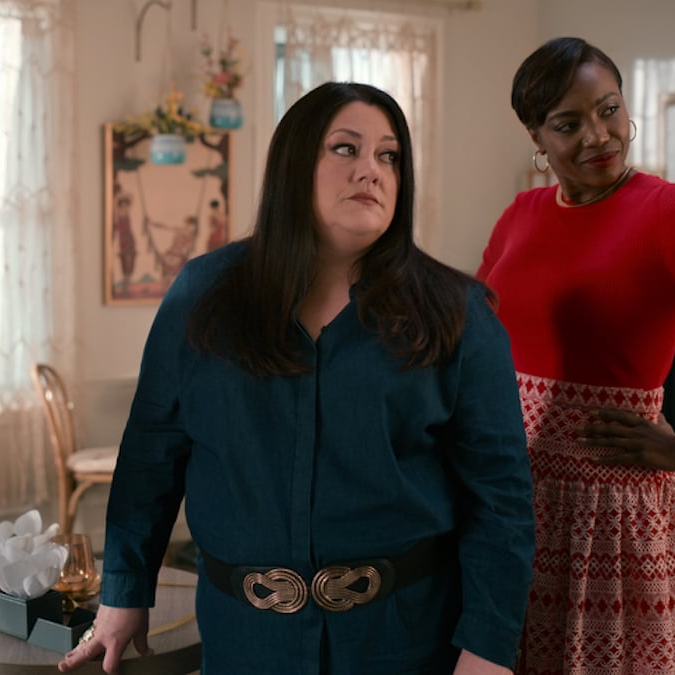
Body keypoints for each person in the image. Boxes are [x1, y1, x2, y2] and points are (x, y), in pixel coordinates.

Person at [60, 82, 535, 675]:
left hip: (404, 642)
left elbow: (502, 501)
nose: (371, 170)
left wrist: (488, 649)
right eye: (346, 149)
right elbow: (150, 458)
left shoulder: (459, 312)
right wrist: (123, 595)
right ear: (293, 164)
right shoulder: (203, 297)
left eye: (389, 155)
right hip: (244, 644)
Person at [477, 36, 675, 674]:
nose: (599, 136)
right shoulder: (521, 215)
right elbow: (477, 338)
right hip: (515, 500)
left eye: (609, 109)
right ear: (536, 137)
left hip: (613, 514)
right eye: (569, 124)